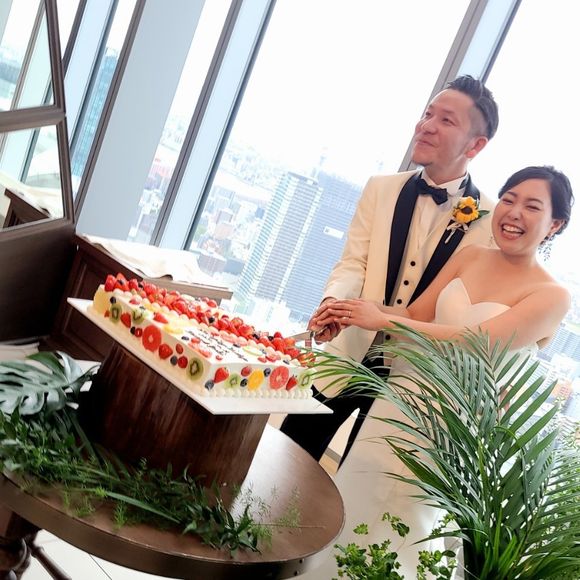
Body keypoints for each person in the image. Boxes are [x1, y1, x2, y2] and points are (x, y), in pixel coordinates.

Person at [303, 165, 574, 578]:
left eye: (532, 206)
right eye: (508, 199)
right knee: (356, 494)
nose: (514, 212)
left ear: (555, 224)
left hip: (456, 426)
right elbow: (414, 315)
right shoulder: (470, 256)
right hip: (400, 402)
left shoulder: (552, 295)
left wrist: (382, 320)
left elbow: (477, 340)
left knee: (410, 524)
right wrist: (352, 312)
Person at [280, 75, 500, 463]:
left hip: (409, 381)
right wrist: (334, 303)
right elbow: (354, 262)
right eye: (428, 113)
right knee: (286, 456)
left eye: (446, 120)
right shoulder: (381, 188)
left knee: (359, 481)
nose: (426, 125)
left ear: (476, 145)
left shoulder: (490, 220)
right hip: (347, 352)